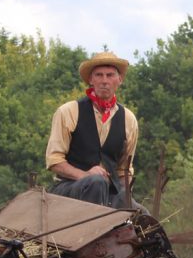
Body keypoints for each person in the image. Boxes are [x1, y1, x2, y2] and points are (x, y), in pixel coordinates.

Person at [45, 51, 140, 209]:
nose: (104, 81)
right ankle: (93, 231)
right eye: (99, 75)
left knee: (142, 215)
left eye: (110, 75)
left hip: (108, 193)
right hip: (69, 189)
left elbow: (124, 170)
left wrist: (124, 197)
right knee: (96, 183)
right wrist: (85, 176)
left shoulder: (128, 120)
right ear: (90, 80)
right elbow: (54, 161)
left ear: (119, 80)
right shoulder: (69, 111)